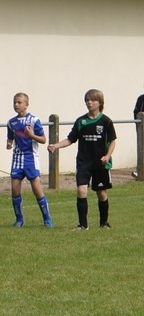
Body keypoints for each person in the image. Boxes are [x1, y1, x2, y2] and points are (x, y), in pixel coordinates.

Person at [48, 89, 116, 230]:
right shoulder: (81, 121)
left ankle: (104, 223)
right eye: (87, 100)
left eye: (92, 100)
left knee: (101, 193)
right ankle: (83, 225)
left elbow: (112, 142)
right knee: (81, 190)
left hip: (100, 163)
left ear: (100, 102)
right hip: (84, 162)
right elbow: (70, 139)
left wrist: (107, 156)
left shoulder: (106, 121)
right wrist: (56, 145)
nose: (89, 102)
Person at [6, 93, 53, 228]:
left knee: (36, 189)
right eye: (14, 102)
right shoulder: (11, 122)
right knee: (15, 189)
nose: (16, 105)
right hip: (17, 159)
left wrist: (31, 135)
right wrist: (9, 143)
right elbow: (10, 137)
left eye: (19, 102)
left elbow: (43, 139)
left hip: (30, 158)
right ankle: (19, 220)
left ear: (26, 104)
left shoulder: (34, 120)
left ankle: (47, 219)